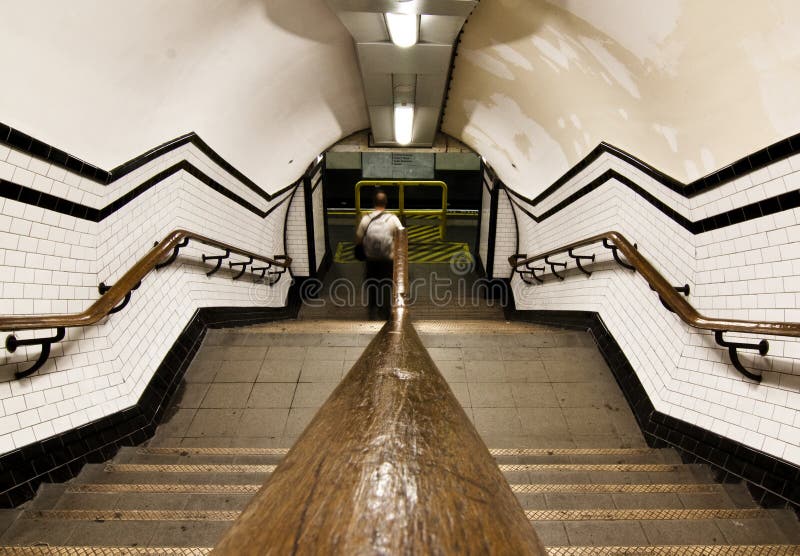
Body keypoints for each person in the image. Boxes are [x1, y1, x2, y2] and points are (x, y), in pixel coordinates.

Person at [355, 190, 403, 320]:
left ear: (373, 203)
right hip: (387, 259)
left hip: (371, 259)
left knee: (372, 284)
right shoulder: (392, 219)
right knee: (386, 284)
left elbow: (359, 238)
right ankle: (385, 311)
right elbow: (401, 236)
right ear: (386, 203)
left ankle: (371, 310)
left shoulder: (366, 219)